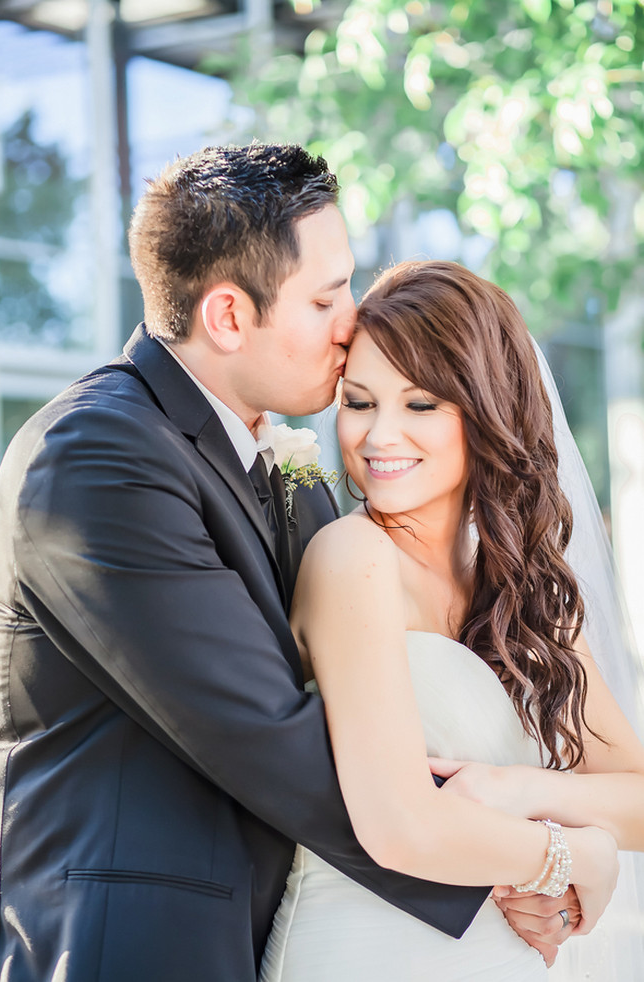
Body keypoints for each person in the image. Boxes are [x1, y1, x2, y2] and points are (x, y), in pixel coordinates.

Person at [0, 146, 500, 982]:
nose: (353, 321)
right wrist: (505, 863)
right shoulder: (97, 454)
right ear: (228, 316)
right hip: (128, 948)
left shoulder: (289, 471)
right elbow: (264, 730)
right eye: (328, 296)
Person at [260, 259, 644, 981]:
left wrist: (521, 793)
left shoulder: (523, 590)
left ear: (489, 410)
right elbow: (398, 827)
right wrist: (572, 854)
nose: (379, 436)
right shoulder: (353, 557)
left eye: (421, 405)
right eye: (359, 401)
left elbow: (635, 792)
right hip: (363, 956)